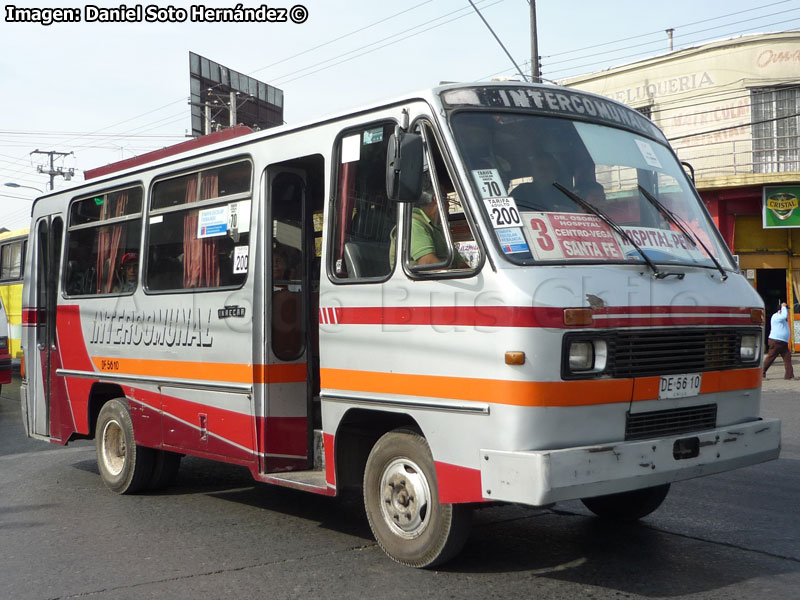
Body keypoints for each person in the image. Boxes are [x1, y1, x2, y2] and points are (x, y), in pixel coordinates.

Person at [389, 175, 465, 269]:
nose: (449, 205)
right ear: (437, 200)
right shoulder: (413, 225)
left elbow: (459, 262)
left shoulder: (438, 228)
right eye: (447, 200)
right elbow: (428, 263)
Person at [511, 152, 575, 212]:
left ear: (556, 173)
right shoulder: (521, 191)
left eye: (550, 169)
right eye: (540, 169)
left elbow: (574, 212)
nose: (545, 172)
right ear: (532, 172)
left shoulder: (564, 193)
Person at [763, 301, 796, 380]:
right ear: (781, 310)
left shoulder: (783, 319)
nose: (788, 312)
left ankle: (789, 375)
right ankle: (761, 373)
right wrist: (783, 306)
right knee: (771, 358)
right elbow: (784, 315)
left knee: (787, 358)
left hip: (783, 342)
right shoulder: (776, 316)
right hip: (776, 341)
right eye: (786, 310)